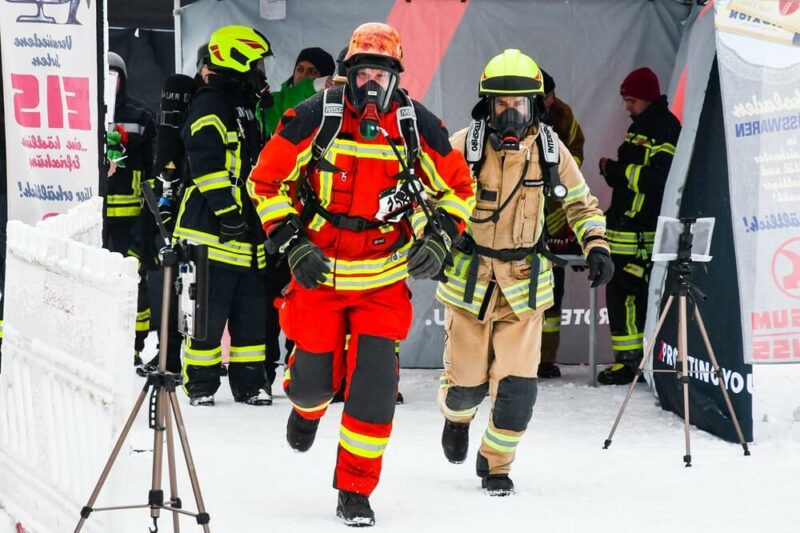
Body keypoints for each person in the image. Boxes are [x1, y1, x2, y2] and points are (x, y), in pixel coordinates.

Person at [248, 22, 475, 527]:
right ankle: (306, 407)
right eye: (362, 72)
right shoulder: (313, 117)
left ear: (396, 77)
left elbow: (461, 187)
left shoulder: (419, 126)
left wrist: (440, 235)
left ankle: (354, 489)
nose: (371, 83)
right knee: (312, 385)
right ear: (348, 74)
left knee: (373, 394)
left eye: (381, 73)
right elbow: (264, 181)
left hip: (382, 279)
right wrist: (291, 241)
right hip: (321, 274)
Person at [437, 49, 613, 496]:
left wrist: (596, 245)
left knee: (517, 391)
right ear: (488, 105)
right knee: (466, 390)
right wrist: (435, 237)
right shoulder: (464, 145)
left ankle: (496, 464)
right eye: (501, 105)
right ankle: (456, 419)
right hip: (470, 281)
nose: (510, 114)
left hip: (524, 284)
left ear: (535, 104)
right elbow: (430, 196)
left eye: (519, 105)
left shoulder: (552, 150)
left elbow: (580, 203)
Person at [173, 25, 273, 406]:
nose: (261, 72)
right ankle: (200, 385)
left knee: (250, 315)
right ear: (238, 59)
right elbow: (206, 162)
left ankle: (251, 384)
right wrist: (228, 212)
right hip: (209, 232)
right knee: (206, 317)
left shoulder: (245, 106)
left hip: (244, 236)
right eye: (257, 63)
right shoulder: (210, 101)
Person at [597, 67, 680, 385]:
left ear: (647, 98)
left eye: (632, 101)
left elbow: (657, 181)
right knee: (619, 294)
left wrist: (616, 171)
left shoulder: (665, 129)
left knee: (629, 296)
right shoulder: (642, 127)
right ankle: (629, 361)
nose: (628, 107)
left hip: (641, 234)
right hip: (625, 228)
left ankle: (632, 363)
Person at [106, 52, 157, 369]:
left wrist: (149, 221)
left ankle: (134, 346)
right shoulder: (82, 113)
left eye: (115, 75)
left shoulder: (141, 116)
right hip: (93, 218)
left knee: (134, 281)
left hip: (132, 219)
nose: (110, 82)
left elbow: (152, 166)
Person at [538, 69, 587, 379]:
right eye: (544, 97)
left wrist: (559, 177)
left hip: (555, 216)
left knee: (553, 294)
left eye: (550, 96)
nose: (549, 101)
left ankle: (545, 358)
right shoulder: (517, 114)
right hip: (518, 218)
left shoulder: (563, 116)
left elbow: (576, 155)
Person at [258, 46, 335, 136]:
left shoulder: (332, 110)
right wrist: (312, 86)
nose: (303, 75)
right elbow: (268, 114)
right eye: (300, 69)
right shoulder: (271, 102)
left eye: (313, 72)